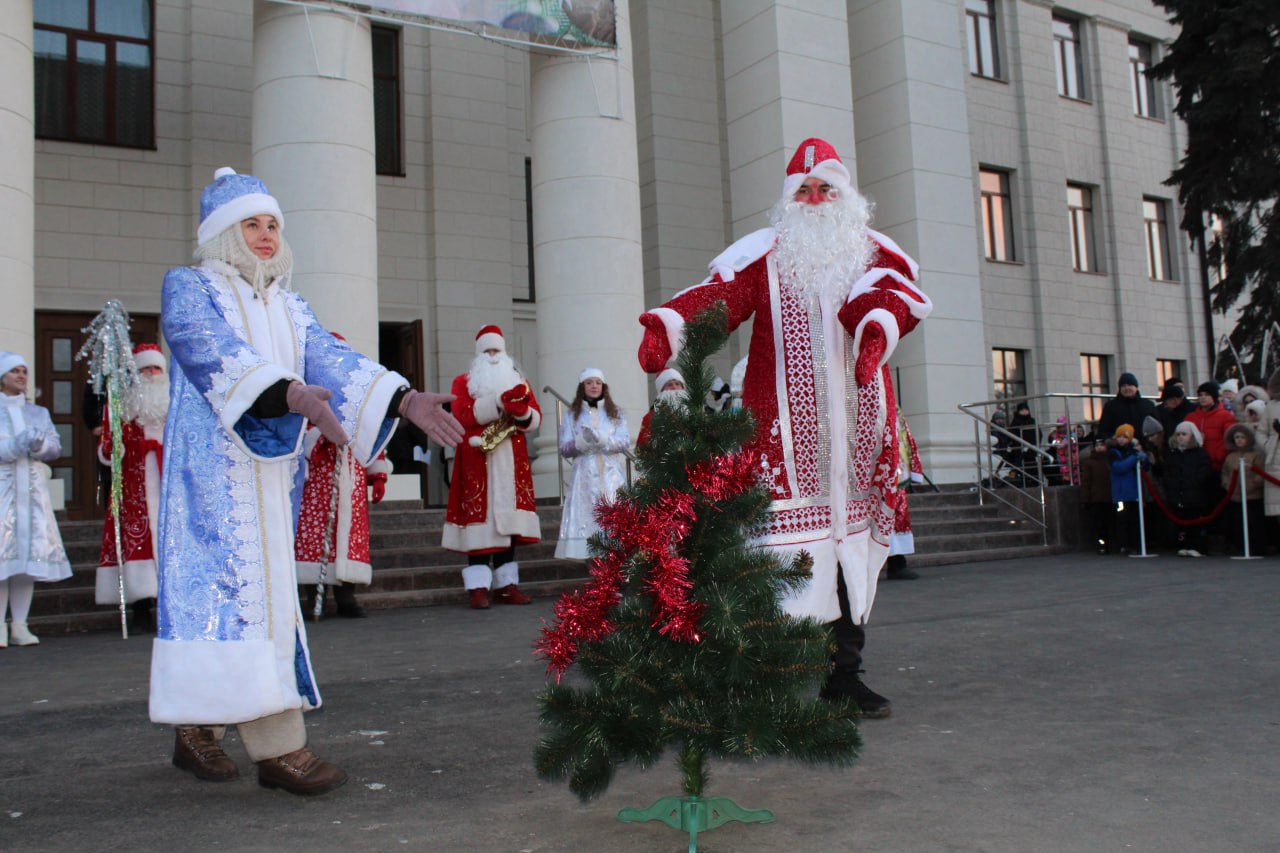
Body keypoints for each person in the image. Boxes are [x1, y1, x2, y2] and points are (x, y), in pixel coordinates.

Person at [150, 167, 464, 796]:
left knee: (253, 600)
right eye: (251, 224)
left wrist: (401, 400)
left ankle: (196, 726)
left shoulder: (289, 305)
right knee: (226, 598)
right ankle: (276, 748)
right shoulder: (191, 285)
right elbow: (204, 347)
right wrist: (284, 391)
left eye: (272, 224)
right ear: (223, 234)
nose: (266, 235)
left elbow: (332, 358)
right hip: (212, 481)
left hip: (271, 478)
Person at [637, 137, 931, 717]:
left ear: (845, 196)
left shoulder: (873, 254)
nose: (815, 199)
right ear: (788, 200)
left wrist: (876, 330)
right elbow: (719, 298)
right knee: (780, 561)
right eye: (804, 190)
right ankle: (765, 680)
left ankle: (844, 677)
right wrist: (669, 327)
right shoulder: (765, 257)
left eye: (826, 189)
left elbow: (894, 297)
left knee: (848, 563)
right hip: (783, 447)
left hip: (858, 440)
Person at [443, 325, 542, 610]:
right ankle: (478, 588)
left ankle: (506, 586)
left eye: (497, 350)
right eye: (487, 351)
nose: (493, 356)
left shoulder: (519, 381)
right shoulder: (463, 382)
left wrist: (523, 412)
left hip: (511, 460)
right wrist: (498, 402)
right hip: (477, 460)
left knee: (508, 526)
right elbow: (463, 414)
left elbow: (535, 416)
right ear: (479, 354)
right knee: (479, 524)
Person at [94, 343, 168, 632]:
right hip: (135, 487)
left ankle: (170, 608)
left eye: (156, 368)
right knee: (137, 542)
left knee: (169, 543)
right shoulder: (122, 408)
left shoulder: (174, 406)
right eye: (145, 369)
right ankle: (141, 609)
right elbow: (107, 449)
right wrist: (113, 447)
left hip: (168, 486)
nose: (152, 374)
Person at [0, 352, 72, 647]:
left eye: (24, 371)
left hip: (31, 494)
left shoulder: (37, 412)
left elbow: (55, 447)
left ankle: (20, 625)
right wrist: (15, 444)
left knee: (27, 561)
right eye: (14, 371)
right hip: (3, 492)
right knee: (3, 559)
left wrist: (40, 445)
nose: (21, 376)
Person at [295, 424, 390, 620]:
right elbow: (302, 428)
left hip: (352, 478)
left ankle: (346, 599)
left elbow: (371, 434)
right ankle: (315, 599)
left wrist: (378, 475)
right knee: (316, 540)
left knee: (349, 540)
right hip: (319, 478)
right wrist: (323, 432)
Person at [554, 368, 630, 560]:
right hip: (584, 477)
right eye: (589, 382)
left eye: (598, 382)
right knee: (587, 517)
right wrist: (582, 441)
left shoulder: (616, 413)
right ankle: (593, 562)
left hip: (611, 476)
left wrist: (603, 439)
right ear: (582, 387)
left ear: (603, 386)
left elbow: (624, 442)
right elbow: (564, 448)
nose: (594, 386)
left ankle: (614, 561)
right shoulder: (572, 415)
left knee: (613, 514)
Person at [1162, 421, 1214, 556]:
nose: (1180, 437)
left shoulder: (1200, 453)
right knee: (1181, 522)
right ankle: (1184, 545)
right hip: (1178, 493)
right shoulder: (1173, 454)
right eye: (1178, 434)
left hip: (1195, 494)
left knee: (1196, 521)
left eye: (1184, 434)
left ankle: (1198, 547)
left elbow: (1205, 470)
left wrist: (1197, 481)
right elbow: (1167, 471)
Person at [885, 413, 922, 580]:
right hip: (872, 475)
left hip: (894, 473)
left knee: (896, 518)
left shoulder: (894, 410)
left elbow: (905, 437)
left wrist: (912, 467)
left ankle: (897, 563)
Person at [1221, 424, 1265, 555]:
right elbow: (1225, 472)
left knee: (1253, 523)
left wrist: (1253, 484)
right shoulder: (1230, 456)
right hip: (1235, 496)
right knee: (1237, 523)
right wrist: (1227, 484)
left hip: (1252, 496)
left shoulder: (1256, 455)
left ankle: (1256, 548)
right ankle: (1240, 547)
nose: (1239, 440)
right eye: (1237, 437)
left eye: (1242, 437)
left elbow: (1261, 473)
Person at [1108, 425, 1148, 554]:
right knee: (1122, 519)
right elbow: (1118, 468)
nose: (1121, 439)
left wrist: (1144, 458)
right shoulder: (1113, 452)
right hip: (1120, 494)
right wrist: (1135, 457)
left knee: (1134, 520)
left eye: (1125, 437)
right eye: (1119, 436)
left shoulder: (1133, 451)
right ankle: (1123, 544)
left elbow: (1145, 468)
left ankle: (1136, 543)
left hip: (1134, 493)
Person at [1185, 381, 1236, 471]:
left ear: (1214, 397)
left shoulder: (1226, 416)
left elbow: (1230, 439)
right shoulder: (1190, 417)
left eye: (1207, 394)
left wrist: (1218, 456)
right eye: (1200, 395)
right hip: (1195, 465)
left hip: (1216, 465)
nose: (1203, 397)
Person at [636, 368, 686, 448]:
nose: (674, 387)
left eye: (677, 384)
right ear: (661, 390)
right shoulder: (651, 416)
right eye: (669, 385)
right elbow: (642, 445)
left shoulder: (694, 411)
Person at [1097, 372, 1156, 440]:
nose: (1126, 388)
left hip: (1144, 444)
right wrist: (1115, 438)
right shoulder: (1110, 406)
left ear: (1136, 387)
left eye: (1130, 385)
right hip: (1119, 444)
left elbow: (1156, 430)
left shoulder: (1148, 405)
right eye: (1123, 386)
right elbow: (1103, 431)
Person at [1078, 437, 1112, 554]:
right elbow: (1086, 482)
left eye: (1102, 445)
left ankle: (1110, 544)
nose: (1099, 447)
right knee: (1099, 523)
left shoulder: (1110, 459)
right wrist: (1085, 499)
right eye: (1097, 445)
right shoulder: (1090, 463)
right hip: (1096, 497)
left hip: (1110, 496)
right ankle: (1102, 545)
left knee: (1109, 522)